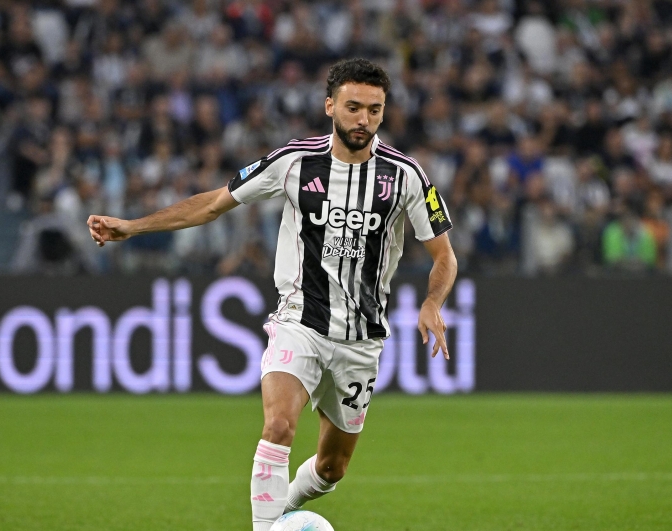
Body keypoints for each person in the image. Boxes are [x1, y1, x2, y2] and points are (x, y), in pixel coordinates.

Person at [86, 58, 457, 531]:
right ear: (330, 106)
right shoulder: (294, 161)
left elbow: (445, 256)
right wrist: (133, 227)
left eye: (374, 110)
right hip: (299, 321)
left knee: (332, 468)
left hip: (362, 340)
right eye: (353, 107)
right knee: (279, 426)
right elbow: (213, 203)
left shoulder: (406, 175)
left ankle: (283, 514)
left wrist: (432, 302)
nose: (363, 119)